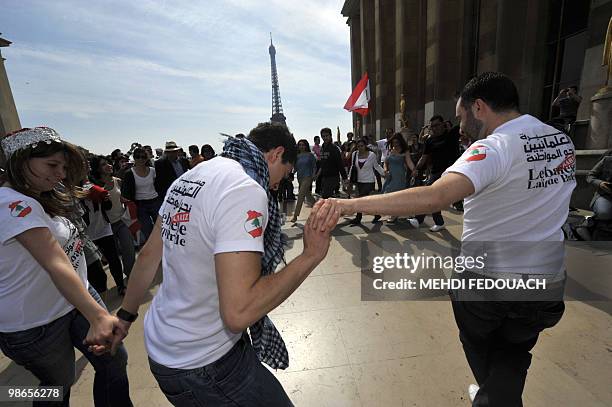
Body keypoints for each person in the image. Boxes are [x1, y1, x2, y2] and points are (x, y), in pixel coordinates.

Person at [312, 72, 574, 407]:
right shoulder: (559, 139)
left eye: (462, 115)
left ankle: (492, 398)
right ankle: (496, 394)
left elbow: (435, 198)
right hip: (546, 278)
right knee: (514, 349)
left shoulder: (493, 148)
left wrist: (347, 204)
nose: (460, 126)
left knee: (480, 345)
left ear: (479, 107)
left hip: (489, 280)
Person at [111, 122, 339, 406]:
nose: (279, 183)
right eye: (285, 172)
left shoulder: (192, 176)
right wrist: (311, 256)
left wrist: (125, 316)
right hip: (206, 362)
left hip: (166, 346)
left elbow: (148, 255)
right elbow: (239, 312)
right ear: (275, 154)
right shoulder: (244, 190)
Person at [0, 127, 133, 406]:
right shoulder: (10, 204)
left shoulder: (42, 194)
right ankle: (8, 397)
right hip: (36, 323)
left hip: (74, 301)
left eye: (62, 166)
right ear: (20, 161)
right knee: (57, 386)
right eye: (52, 165)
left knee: (114, 360)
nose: (60, 173)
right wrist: (98, 316)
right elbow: (55, 262)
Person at [89, 155, 135, 286]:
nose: (108, 166)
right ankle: (120, 284)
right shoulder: (94, 186)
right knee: (114, 258)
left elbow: (126, 197)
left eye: (108, 163)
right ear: (97, 169)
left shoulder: (118, 181)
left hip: (121, 221)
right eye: (103, 164)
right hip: (106, 226)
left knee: (129, 249)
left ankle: (130, 274)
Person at [409, 114, 460, 232]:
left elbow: (462, 123)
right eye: (432, 127)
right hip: (436, 172)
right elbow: (424, 157)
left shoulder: (451, 134)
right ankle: (437, 222)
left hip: (451, 172)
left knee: (431, 194)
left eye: (437, 125)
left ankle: (420, 219)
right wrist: (416, 169)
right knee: (431, 196)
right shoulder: (430, 140)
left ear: (443, 124)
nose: (434, 128)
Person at [121, 147, 161, 242]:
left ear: (147, 158)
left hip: (155, 201)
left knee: (161, 228)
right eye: (138, 157)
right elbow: (125, 193)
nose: (140, 159)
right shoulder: (130, 173)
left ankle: (163, 251)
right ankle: (153, 252)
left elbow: (158, 185)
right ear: (134, 158)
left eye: (143, 157)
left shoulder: (152, 171)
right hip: (140, 205)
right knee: (147, 230)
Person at [347, 138, 384, 225]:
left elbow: (377, 166)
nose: (360, 148)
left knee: (361, 199)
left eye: (362, 146)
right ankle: (377, 214)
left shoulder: (371, 155)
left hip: (369, 181)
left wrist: (384, 173)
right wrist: (349, 178)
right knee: (366, 201)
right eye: (358, 146)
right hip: (358, 181)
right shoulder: (354, 154)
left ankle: (358, 218)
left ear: (365, 146)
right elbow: (353, 167)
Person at [382, 133, 416, 223]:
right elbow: (385, 162)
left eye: (397, 142)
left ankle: (394, 214)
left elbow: (409, 162)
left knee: (395, 195)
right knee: (388, 195)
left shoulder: (405, 151)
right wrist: (385, 170)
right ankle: (398, 212)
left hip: (400, 176)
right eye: (393, 142)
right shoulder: (390, 150)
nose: (395, 144)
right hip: (390, 176)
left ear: (400, 142)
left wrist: (413, 170)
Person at [290, 139, 317, 223]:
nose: (301, 146)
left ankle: (295, 216)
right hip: (300, 178)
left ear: (306, 146)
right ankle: (319, 207)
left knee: (301, 196)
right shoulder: (297, 156)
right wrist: (291, 174)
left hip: (308, 177)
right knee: (308, 196)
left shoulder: (310, 155)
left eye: (303, 145)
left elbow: (314, 166)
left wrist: (314, 175)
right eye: (300, 145)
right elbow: (295, 168)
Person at [315, 128, 347, 199]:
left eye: (327, 136)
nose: (325, 138)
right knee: (327, 197)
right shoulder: (323, 147)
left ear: (330, 136)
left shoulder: (334, 148)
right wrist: (317, 175)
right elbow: (322, 163)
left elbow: (340, 163)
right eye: (323, 136)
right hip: (324, 177)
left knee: (325, 197)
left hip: (333, 177)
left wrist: (344, 177)